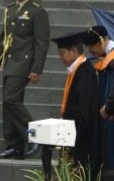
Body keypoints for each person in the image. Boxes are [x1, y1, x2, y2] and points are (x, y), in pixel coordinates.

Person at [0, 0, 50, 159]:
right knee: (8, 103)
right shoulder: (10, 10)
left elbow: (41, 43)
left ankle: (34, 136)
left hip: (24, 64)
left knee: (11, 99)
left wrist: (37, 69)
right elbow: (3, 40)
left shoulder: (37, 12)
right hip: (9, 63)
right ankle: (14, 145)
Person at [40, 31, 101, 181]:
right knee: (44, 141)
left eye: (62, 53)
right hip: (72, 130)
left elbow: (84, 111)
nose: (61, 57)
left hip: (81, 136)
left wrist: (70, 136)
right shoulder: (77, 69)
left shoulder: (85, 72)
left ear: (74, 51)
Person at [81, 25, 114, 178]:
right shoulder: (107, 60)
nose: (89, 50)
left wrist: (109, 108)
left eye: (90, 46)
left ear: (100, 42)